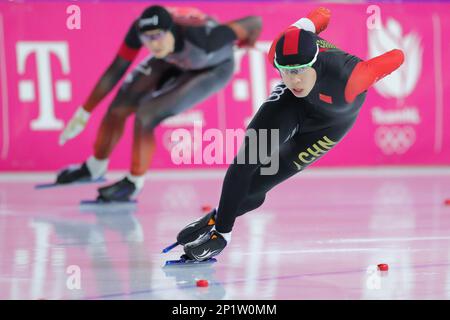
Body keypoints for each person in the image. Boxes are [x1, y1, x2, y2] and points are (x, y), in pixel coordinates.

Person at [174, 7, 405, 261]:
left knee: (259, 185)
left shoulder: (352, 78)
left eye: (299, 71)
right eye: (286, 71)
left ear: (314, 62)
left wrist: (383, 61)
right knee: (246, 162)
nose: (293, 80)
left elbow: (397, 56)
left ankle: (218, 217)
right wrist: (319, 18)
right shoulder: (278, 51)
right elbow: (321, 15)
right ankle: (221, 233)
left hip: (328, 126)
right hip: (292, 106)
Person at [56, 5, 262, 202]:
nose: (152, 44)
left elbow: (254, 21)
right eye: (147, 38)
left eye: (157, 37)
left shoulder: (205, 38)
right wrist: (84, 112)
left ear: (171, 30)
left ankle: (134, 183)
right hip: (172, 58)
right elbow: (116, 69)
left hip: (212, 68)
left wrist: (248, 42)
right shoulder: (142, 30)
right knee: (119, 106)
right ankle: (95, 167)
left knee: (146, 115)